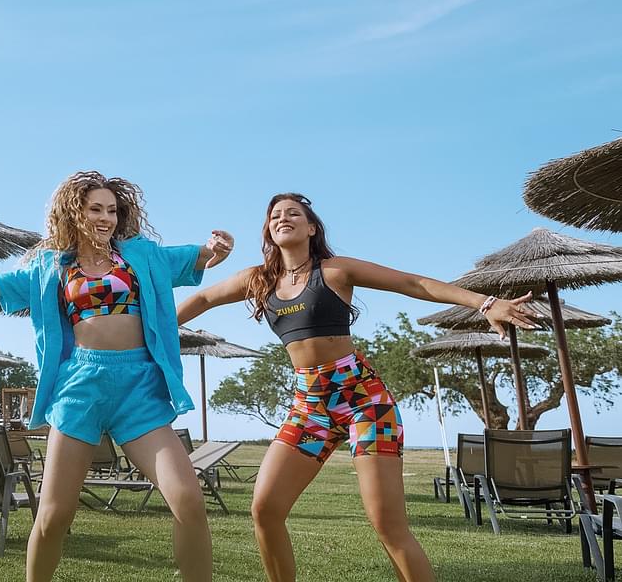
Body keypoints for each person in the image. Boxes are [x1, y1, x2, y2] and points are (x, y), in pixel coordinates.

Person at [176, 192, 537, 582]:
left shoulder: (335, 271)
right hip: (309, 406)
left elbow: (411, 282)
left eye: (293, 213)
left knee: (388, 525)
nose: (282, 218)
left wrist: (485, 303)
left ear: (311, 228)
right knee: (265, 510)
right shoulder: (259, 279)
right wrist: (151, 329)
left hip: (364, 402)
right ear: (268, 230)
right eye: (275, 215)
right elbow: (204, 297)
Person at [0, 170, 233, 582]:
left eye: (112, 210)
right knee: (54, 516)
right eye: (95, 209)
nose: (106, 217)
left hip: (139, 388)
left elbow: (198, 257)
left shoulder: (141, 255)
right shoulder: (50, 266)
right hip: (80, 387)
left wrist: (217, 247)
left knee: (188, 500)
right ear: (74, 212)